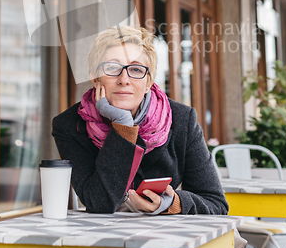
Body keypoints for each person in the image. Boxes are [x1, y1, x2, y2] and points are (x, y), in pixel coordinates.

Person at [52, 26, 229, 215]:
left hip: (170, 237)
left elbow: (216, 204)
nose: (124, 79)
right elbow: (100, 202)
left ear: (149, 83)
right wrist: (122, 125)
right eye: (112, 68)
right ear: (95, 79)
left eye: (136, 69)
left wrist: (171, 203)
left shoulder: (182, 120)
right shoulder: (70, 125)